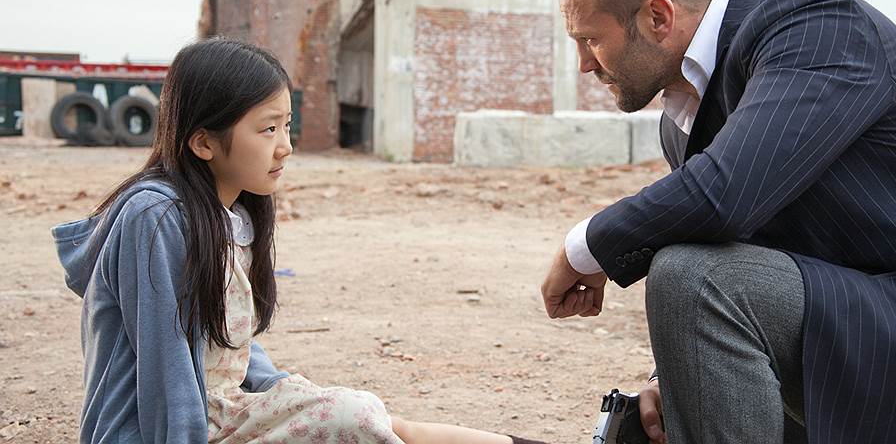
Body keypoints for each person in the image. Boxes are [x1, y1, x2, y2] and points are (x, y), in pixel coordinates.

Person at [540, 0, 896, 444]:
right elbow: (735, 251)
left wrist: (585, 248)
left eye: (589, 39)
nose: (584, 64)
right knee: (691, 271)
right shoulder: (680, 119)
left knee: (690, 275)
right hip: (840, 333)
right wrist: (673, 378)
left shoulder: (819, 28)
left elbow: (724, 196)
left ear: (657, 17)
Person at [53, 38, 546, 444]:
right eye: (268, 129)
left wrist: (287, 391)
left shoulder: (228, 214)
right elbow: (166, 370)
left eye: (286, 125)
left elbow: (225, 345)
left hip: (222, 414)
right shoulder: (155, 216)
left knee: (366, 418)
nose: (285, 146)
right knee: (354, 421)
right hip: (157, 432)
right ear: (203, 142)